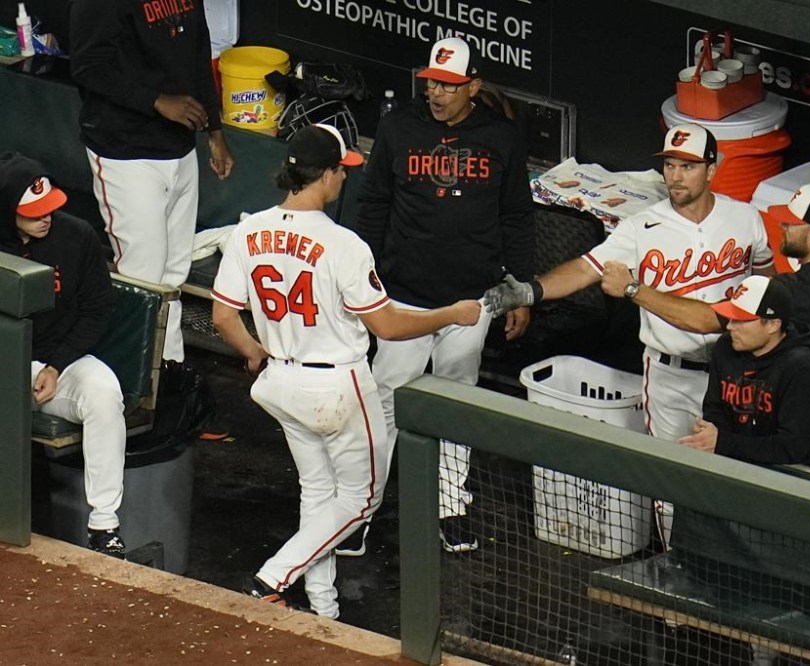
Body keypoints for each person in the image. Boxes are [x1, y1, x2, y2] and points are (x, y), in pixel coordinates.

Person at [210, 124, 481, 618]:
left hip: (281, 382)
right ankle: (274, 575)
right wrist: (451, 314)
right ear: (328, 174)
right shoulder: (344, 244)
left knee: (318, 493)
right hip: (337, 386)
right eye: (342, 170)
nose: (344, 180)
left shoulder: (248, 229)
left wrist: (254, 352)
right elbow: (390, 326)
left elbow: (224, 317)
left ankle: (324, 606)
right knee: (359, 502)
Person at [351, 36, 535, 554]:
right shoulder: (398, 126)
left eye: (449, 85)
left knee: (456, 401)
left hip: (472, 299)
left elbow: (517, 214)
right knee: (386, 401)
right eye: (432, 81)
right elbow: (375, 203)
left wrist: (518, 289)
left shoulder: (501, 135)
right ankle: (361, 509)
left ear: (473, 86)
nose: (436, 92)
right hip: (405, 295)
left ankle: (449, 504)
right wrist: (362, 279)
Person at [593, 183, 810, 484]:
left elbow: (704, 320)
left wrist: (633, 289)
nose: (782, 226)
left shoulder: (790, 292)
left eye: (791, 223)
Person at [487, 123, 775, 444]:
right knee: (670, 475)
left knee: (733, 472)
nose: (676, 176)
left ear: (711, 170)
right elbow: (585, 269)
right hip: (671, 377)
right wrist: (532, 290)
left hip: (735, 371)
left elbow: (766, 285)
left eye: (688, 167)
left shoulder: (745, 218)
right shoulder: (641, 227)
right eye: (670, 165)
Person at [68, 0, 234, 380]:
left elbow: (198, 51)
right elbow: (89, 65)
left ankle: (168, 384)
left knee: (173, 275)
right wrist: (155, 101)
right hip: (124, 152)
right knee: (142, 280)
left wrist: (215, 132)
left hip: (178, 148)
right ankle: (129, 390)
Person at [0, 152, 127, 559]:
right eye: (33, 213)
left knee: (104, 392)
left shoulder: (77, 236)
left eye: (49, 207)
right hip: (5, 364)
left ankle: (104, 524)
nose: (45, 218)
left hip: (57, 361)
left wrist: (58, 365)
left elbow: (97, 309)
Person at [678, 275, 810, 467]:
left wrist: (722, 442)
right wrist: (710, 435)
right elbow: (714, 408)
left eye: (740, 320)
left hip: (790, 479)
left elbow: (791, 448)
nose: (730, 326)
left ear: (773, 325)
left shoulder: (801, 368)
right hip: (736, 467)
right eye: (731, 318)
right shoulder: (725, 347)